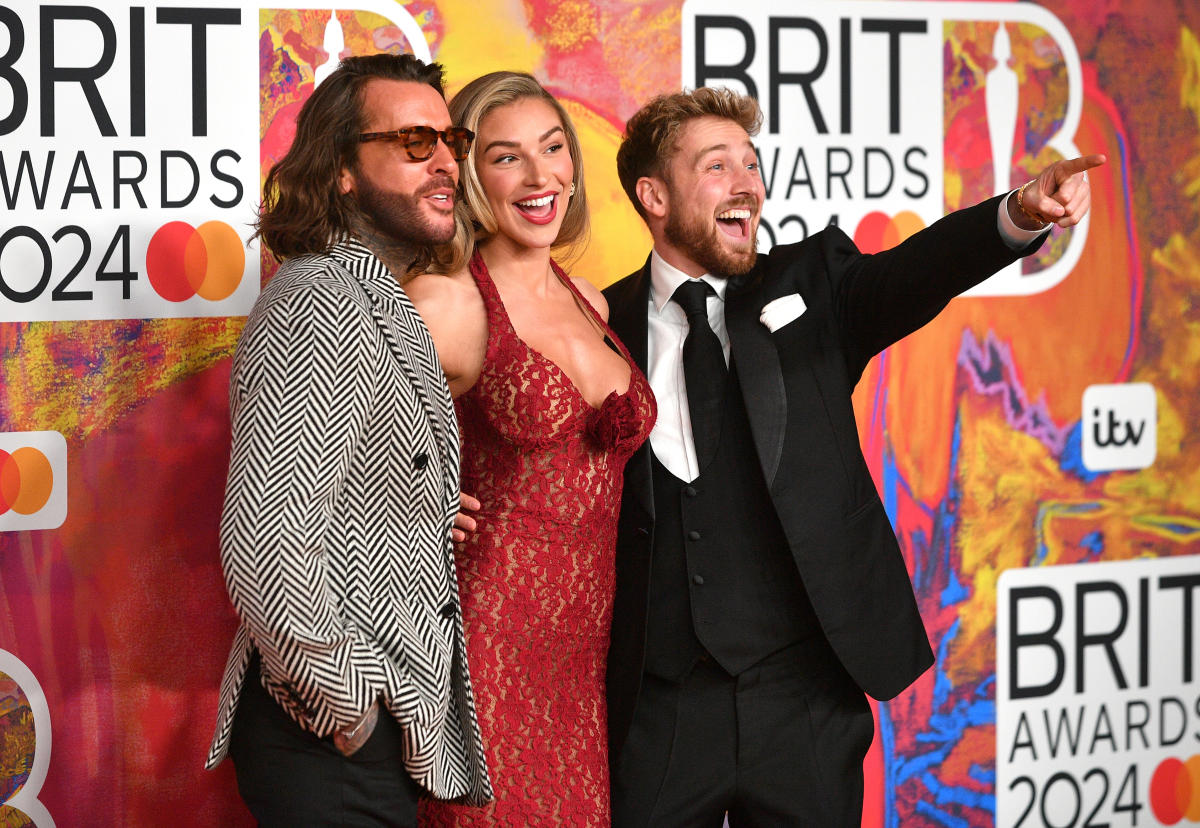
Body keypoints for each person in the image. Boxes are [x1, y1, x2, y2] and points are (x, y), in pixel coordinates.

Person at [603, 86, 1104, 826]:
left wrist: (1019, 214)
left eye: (751, 163)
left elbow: (918, 270)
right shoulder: (597, 321)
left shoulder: (813, 283)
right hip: (662, 710)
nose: (748, 184)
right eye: (717, 167)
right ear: (653, 195)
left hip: (803, 702)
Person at [204, 54, 492, 825]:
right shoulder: (323, 302)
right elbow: (266, 543)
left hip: (363, 742)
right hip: (330, 741)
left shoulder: (373, 295)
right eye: (411, 142)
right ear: (340, 171)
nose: (444, 162)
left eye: (450, 142)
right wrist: (348, 711)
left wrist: (417, 507)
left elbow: (336, 491)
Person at [404, 71, 656, 826]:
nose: (541, 175)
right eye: (508, 157)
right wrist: (412, 503)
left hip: (585, 661)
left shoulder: (594, 301)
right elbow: (337, 446)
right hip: (489, 643)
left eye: (553, 148)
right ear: (469, 175)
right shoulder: (447, 300)